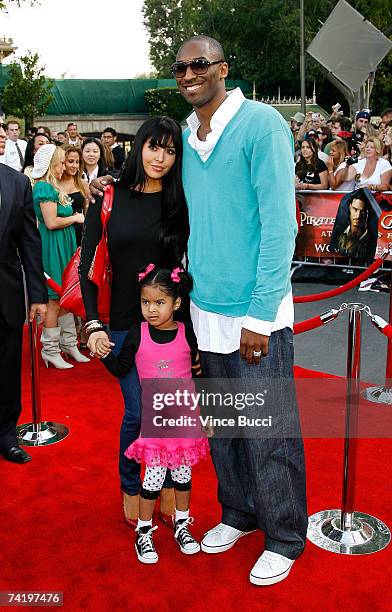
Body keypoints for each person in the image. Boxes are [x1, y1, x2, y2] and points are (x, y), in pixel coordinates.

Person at [171, 35, 307, 586]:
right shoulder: (186, 134)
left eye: (198, 64)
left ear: (223, 68)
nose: (188, 74)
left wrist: (258, 313)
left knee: (268, 429)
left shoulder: (262, 124)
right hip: (205, 307)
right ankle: (240, 513)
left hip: (257, 311)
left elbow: (281, 225)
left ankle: (285, 535)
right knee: (225, 426)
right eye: (180, 67)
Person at [80, 116, 189, 529]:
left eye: (170, 150)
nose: (160, 158)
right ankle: (132, 486)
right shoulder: (111, 195)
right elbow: (89, 265)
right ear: (139, 147)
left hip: (169, 328)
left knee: (165, 413)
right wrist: (92, 325)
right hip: (123, 323)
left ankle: (161, 490)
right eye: (153, 147)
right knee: (137, 410)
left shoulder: (179, 201)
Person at [98, 266, 209, 564]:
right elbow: (122, 369)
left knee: (184, 479)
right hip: (156, 427)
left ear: (176, 303)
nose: (151, 309)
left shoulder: (188, 334)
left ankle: (182, 525)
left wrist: (207, 413)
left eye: (159, 303)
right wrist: (104, 353)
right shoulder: (137, 334)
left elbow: (198, 377)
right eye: (146, 302)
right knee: (152, 483)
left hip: (184, 424)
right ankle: (144, 532)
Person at [0, 120, 48, 464]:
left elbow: (30, 243)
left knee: (6, 368)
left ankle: (5, 433)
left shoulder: (17, 184)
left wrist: (39, 296)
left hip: (6, 295)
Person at [32, 144, 87, 368]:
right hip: (52, 248)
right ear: (50, 163)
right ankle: (51, 350)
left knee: (64, 298)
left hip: (63, 247)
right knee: (54, 301)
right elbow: (51, 222)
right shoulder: (44, 187)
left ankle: (69, 345)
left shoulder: (52, 186)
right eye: (61, 162)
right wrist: (75, 218)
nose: (64, 166)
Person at [59, 145, 90, 246]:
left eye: (77, 162)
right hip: (60, 233)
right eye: (71, 161)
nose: (75, 166)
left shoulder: (82, 183)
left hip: (79, 234)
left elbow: (87, 211)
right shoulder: (54, 184)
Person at [336, 193, 370, 260]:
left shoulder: (371, 238)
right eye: (355, 209)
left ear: (367, 213)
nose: (358, 216)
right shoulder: (338, 232)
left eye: (362, 211)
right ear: (350, 207)